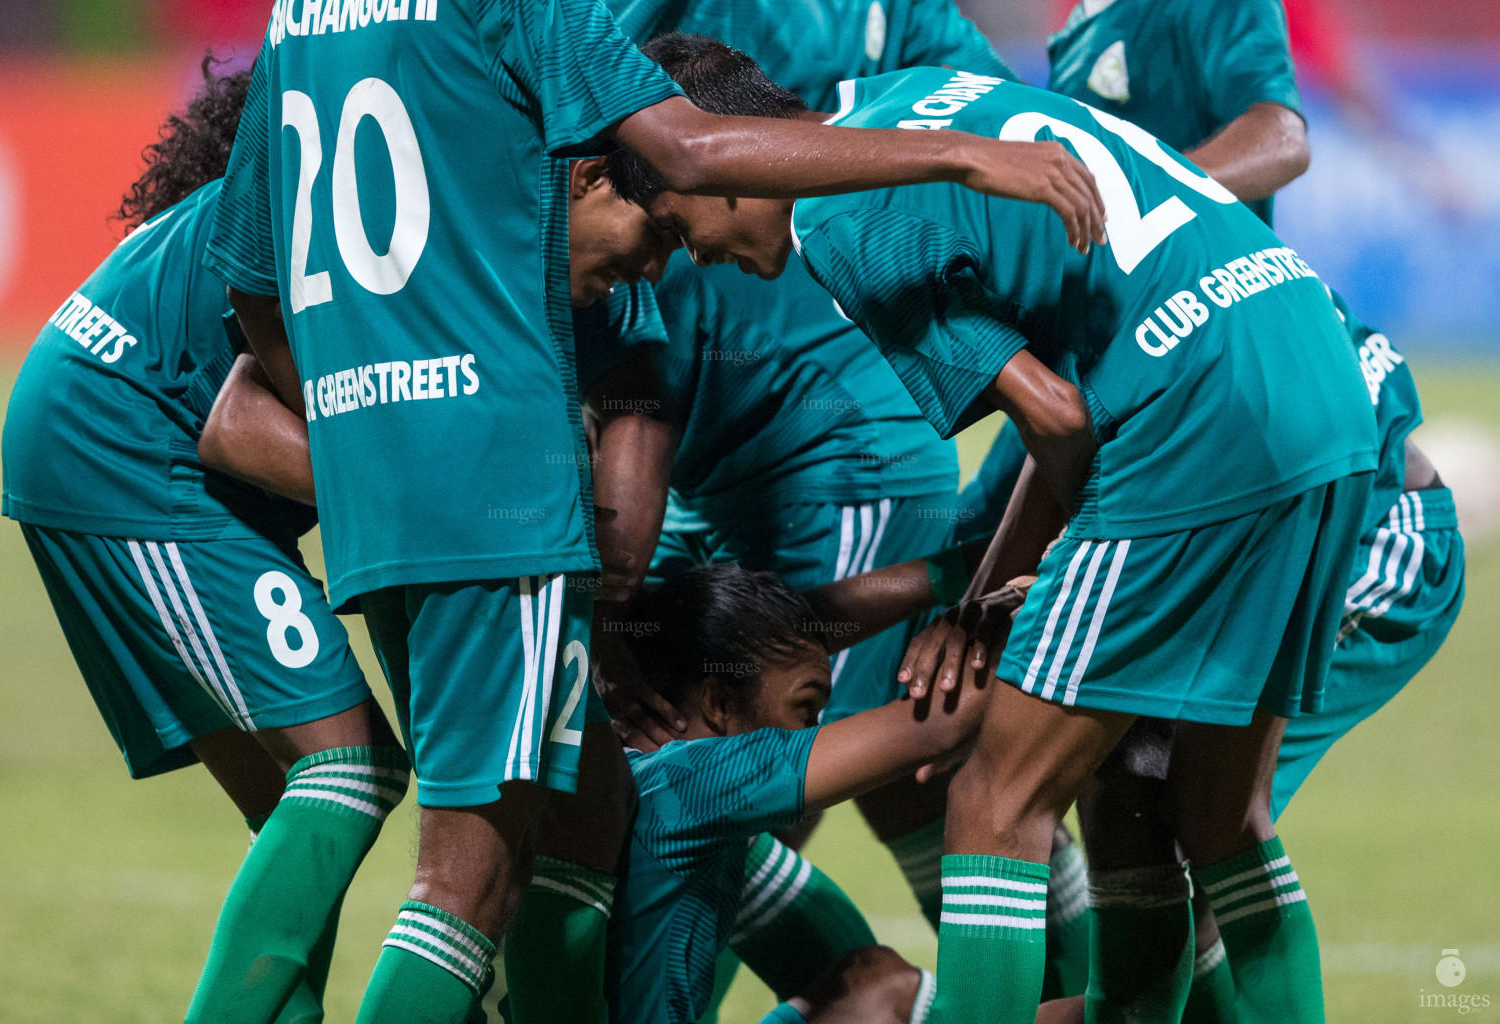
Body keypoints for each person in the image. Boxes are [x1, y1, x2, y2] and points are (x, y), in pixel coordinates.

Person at [202, 1, 1107, 1019]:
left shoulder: (299, 24)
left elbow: (251, 283)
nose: (661, 273)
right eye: (664, 245)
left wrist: (369, 447)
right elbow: (679, 143)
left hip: (388, 498)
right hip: (508, 487)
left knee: (592, 811)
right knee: (485, 875)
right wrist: (963, 159)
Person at [606, 33, 1381, 1023]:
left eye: (676, 220)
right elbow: (1052, 406)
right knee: (1206, 812)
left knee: (993, 803)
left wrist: (994, 598)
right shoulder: (902, 101)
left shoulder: (835, 219)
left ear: (723, 158)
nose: (690, 254)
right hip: (1313, 374)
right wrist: (990, 591)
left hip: (1192, 410)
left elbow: (1056, 418)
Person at [1045, 3, 1467, 1020]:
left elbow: (1283, 131)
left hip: (1356, 527)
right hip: (1220, 507)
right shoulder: (1074, 35)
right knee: (1126, 789)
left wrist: (1143, 213)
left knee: (1198, 802)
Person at [0, 58, 406, 1024]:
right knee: (352, 769)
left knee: (296, 808)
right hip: (131, 448)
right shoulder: (362, 205)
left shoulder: (292, 179)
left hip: (91, 421)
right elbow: (234, 427)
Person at [608, 563, 1083, 1024]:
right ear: (719, 703)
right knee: (890, 994)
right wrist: (1067, 591)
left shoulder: (638, 771)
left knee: (872, 980)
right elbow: (940, 728)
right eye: (805, 706)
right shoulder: (693, 781)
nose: (814, 731)